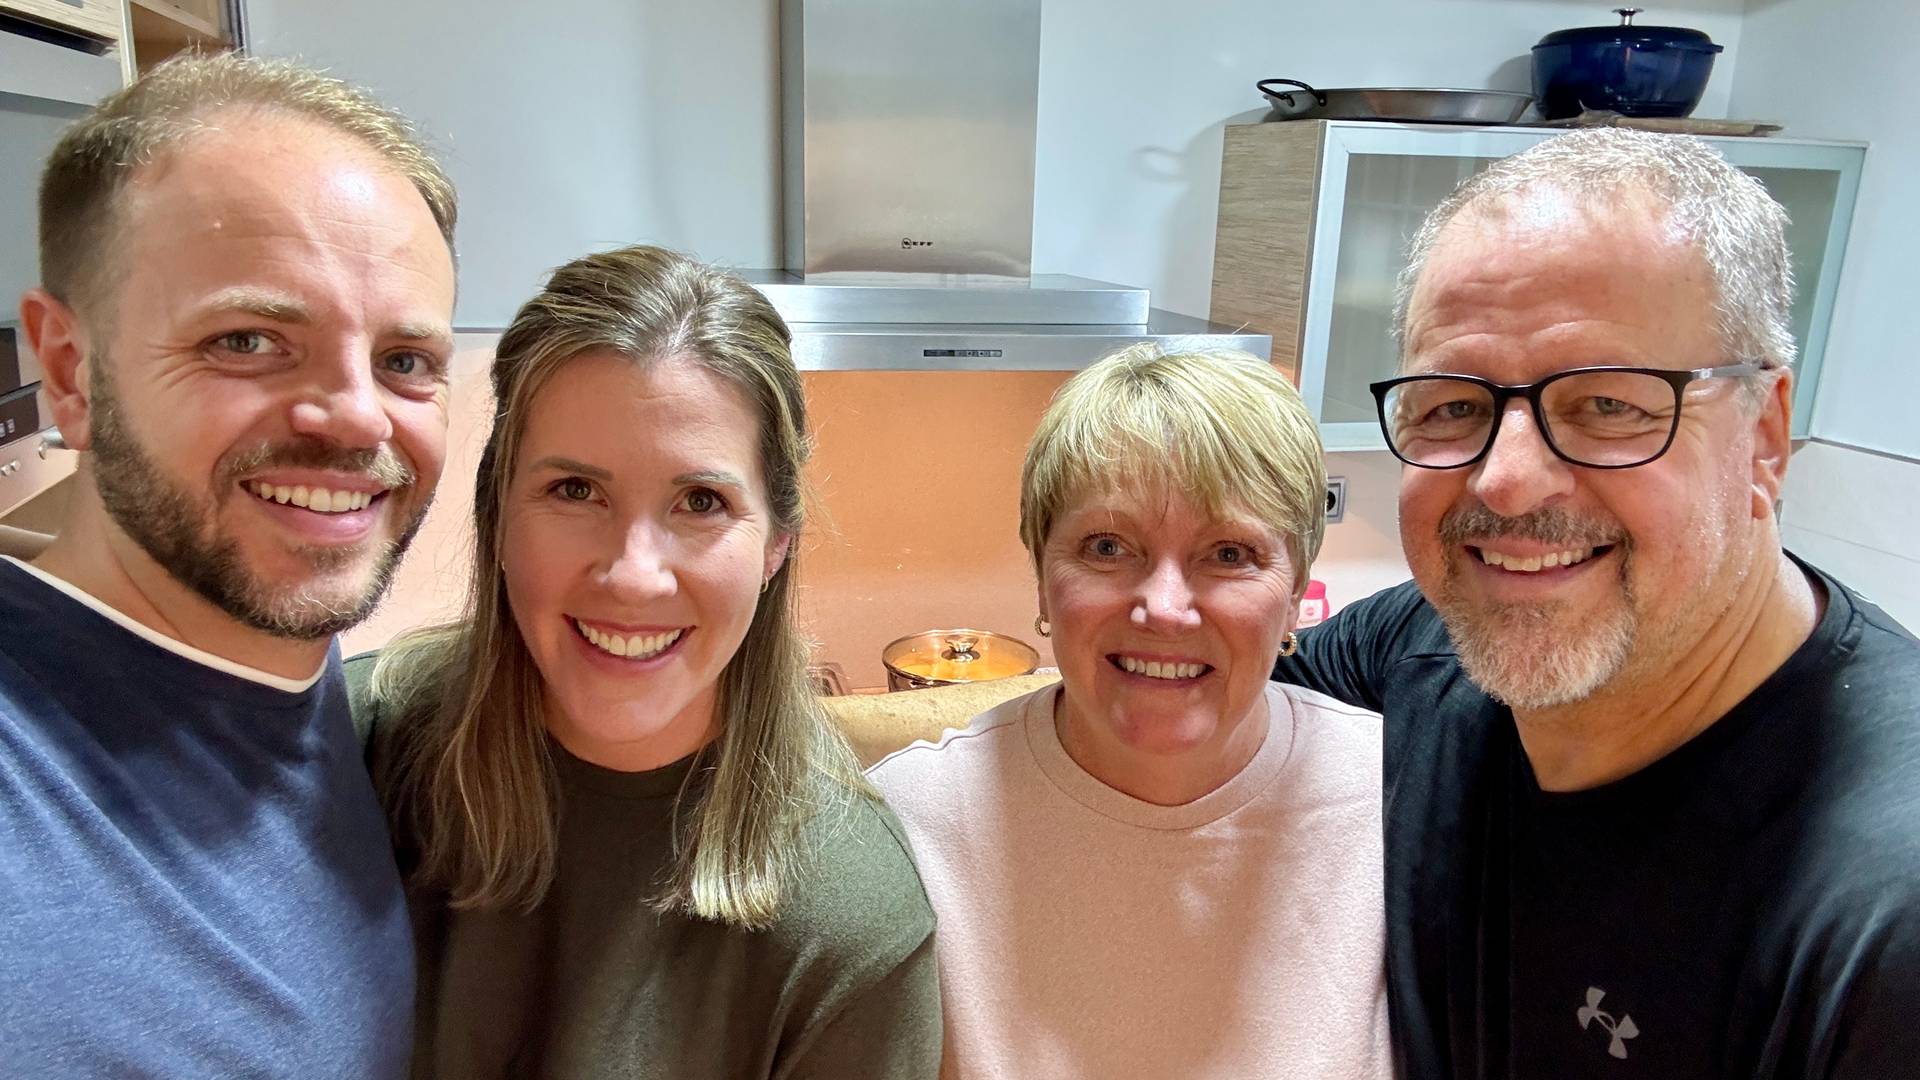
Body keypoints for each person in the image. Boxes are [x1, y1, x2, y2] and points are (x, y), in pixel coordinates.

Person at [1273, 128, 1920, 1078]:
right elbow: (1213, 708)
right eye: (1453, 405)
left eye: (1608, 404)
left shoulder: (1882, 916)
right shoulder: (1418, 656)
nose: (1507, 482)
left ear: (1766, 438)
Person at [352, 244, 940, 1078]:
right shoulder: (351, 755)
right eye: (575, 491)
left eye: (701, 502)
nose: (632, 574)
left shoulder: (851, 916)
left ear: (777, 542)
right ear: (497, 514)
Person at [0, 55, 458, 1076]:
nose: (354, 416)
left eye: (405, 361)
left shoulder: (289, 680)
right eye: (248, 339)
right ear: (70, 373)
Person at [870, 344, 1390, 1078]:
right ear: (1041, 578)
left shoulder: (1397, 805)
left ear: (1297, 588)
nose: (1165, 608)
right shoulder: (912, 826)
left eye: (1230, 554)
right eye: (1108, 546)